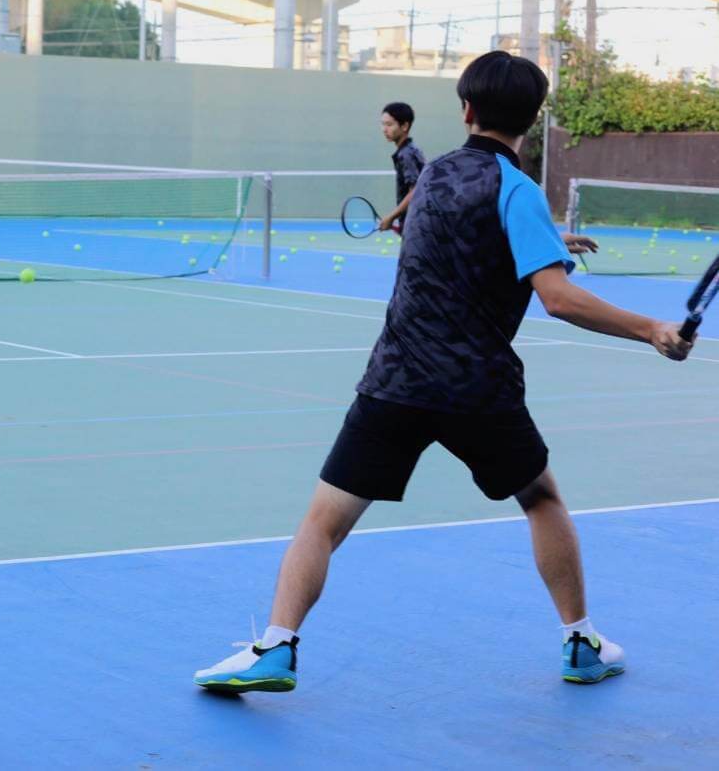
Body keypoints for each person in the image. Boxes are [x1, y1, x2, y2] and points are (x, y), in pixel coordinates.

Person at [191, 51, 692, 695]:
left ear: (466, 110)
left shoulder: (431, 177)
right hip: (478, 392)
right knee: (541, 499)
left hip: (394, 382)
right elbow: (559, 299)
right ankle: (581, 643)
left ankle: (276, 646)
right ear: (532, 121)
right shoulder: (519, 190)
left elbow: (458, 234)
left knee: (322, 522)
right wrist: (651, 328)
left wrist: (546, 241)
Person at [378, 102, 424, 233]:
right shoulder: (412, 149)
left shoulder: (406, 154)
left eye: (389, 125)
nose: (384, 129)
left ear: (404, 126)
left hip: (417, 224)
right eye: (383, 124)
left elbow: (415, 191)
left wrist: (391, 217)